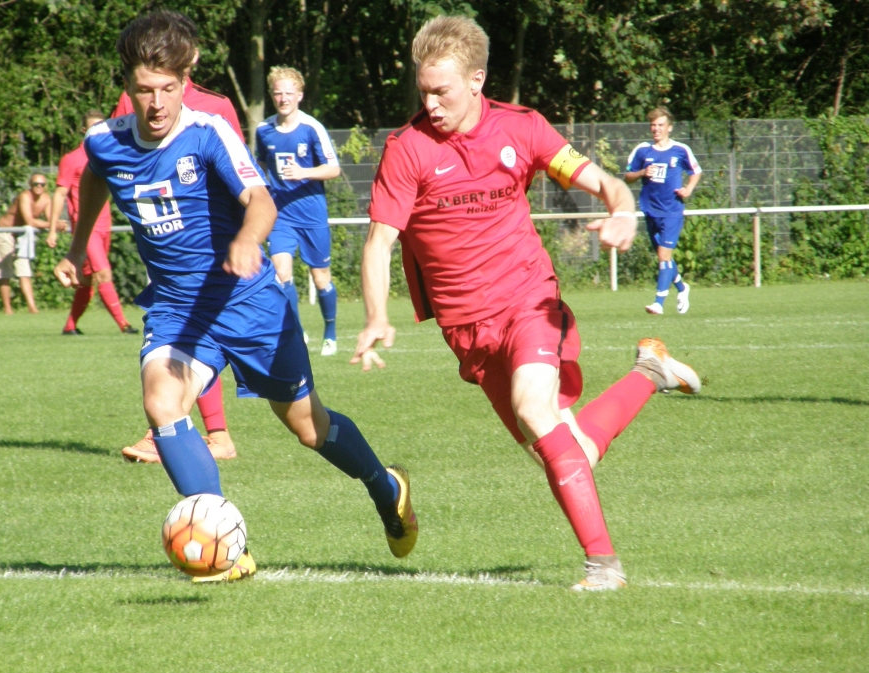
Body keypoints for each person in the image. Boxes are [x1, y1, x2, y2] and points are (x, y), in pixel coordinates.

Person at [54, 11, 415, 581]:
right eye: (144, 90)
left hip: (249, 303)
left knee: (308, 427)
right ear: (126, 84)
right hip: (177, 309)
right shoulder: (105, 141)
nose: (156, 104)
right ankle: (226, 544)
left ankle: (385, 486)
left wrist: (248, 239)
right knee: (162, 403)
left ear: (186, 77)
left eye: (167, 88)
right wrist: (78, 248)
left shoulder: (207, 132)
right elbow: (95, 173)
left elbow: (261, 200)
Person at [352, 16, 701, 592]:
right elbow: (379, 242)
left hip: (529, 302)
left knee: (535, 412)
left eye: (442, 91)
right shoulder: (407, 150)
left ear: (477, 80)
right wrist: (376, 317)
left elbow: (605, 182)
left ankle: (603, 568)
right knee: (569, 454)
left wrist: (622, 210)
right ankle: (650, 372)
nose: (431, 104)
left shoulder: (523, 129)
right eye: (423, 91)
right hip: (466, 330)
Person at [114, 13, 240, 463]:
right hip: (163, 243)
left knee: (199, 337)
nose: (155, 101)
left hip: (215, 251)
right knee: (180, 341)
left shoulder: (217, 108)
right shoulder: (131, 102)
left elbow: (241, 178)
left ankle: (207, 433)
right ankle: (188, 430)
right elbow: (114, 162)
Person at [255, 67, 341, 356]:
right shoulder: (263, 129)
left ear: (299, 95)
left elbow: (333, 168)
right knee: (281, 273)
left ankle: (330, 333)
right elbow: (260, 165)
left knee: (321, 277)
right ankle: (298, 332)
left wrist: (303, 172)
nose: (283, 98)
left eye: (289, 93)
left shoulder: (311, 128)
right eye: (278, 93)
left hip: (311, 214)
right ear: (272, 95)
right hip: (281, 215)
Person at [47, 110, 139, 336]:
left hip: (104, 224)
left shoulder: (107, 156)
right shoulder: (72, 159)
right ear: (83, 131)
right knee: (104, 273)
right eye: (92, 127)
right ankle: (124, 325)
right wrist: (52, 229)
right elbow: (60, 193)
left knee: (87, 278)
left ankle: (70, 326)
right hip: (86, 228)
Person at [625, 107, 702, 315]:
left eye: (660, 125)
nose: (656, 129)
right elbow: (628, 176)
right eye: (653, 125)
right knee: (663, 256)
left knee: (664, 256)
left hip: (672, 210)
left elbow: (695, 171)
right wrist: (642, 172)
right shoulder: (642, 150)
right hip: (650, 210)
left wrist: (688, 189)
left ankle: (658, 302)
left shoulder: (680, 150)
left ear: (669, 127)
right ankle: (682, 288)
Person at [0, 173, 64, 314]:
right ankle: (7, 309)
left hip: (22, 235)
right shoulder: (25, 196)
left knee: (24, 271)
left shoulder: (46, 199)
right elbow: (30, 221)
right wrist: (54, 225)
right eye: (35, 184)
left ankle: (32, 308)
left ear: (45, 186)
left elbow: (50, 219)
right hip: (5, 232)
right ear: (30, 185)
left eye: (42, 184)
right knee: (5, 273)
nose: (39, 187)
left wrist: (57, 224)